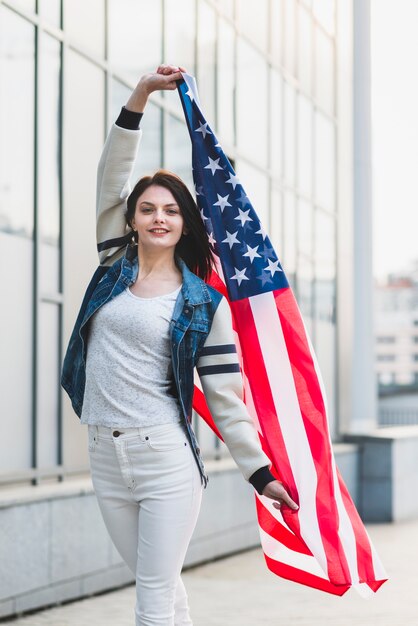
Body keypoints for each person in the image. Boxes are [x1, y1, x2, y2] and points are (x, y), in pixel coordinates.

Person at [61, 64, 298, 626]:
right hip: (105, 454)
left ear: (186, 224)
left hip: (164, 456)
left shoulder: (202, 304)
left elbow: (224, 397)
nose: (158, 217)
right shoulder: (112, 266)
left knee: (150, 603)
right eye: (148, 209)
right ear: (133, 221)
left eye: (170, 210)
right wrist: (141, 95)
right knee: (165, 594)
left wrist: (259, 472)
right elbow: (110, 173)